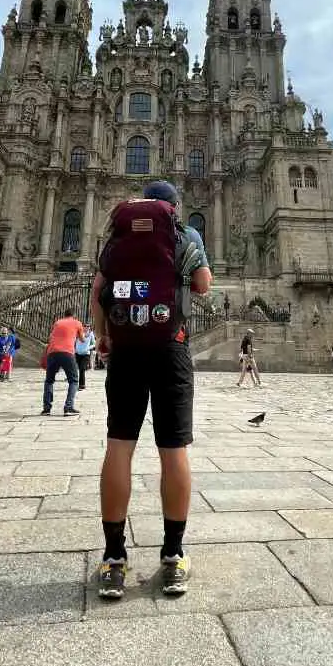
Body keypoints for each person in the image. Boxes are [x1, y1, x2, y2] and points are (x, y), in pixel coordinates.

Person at [90, 179, 211, 601]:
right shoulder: (185, 233)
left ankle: (113, 559)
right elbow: (202, 284)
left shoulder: (119, 234)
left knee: (118, 447)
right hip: (169, 345)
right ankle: (173, 555)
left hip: (125, 347)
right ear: (175, 206)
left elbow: (98, 291)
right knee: (173, 451)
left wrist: (103, 334)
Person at [44, 310, 85, 415]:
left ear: (64, 315)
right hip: (67, 353)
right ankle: (68, 407)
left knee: (49, 381)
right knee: (74, 381)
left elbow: (50, 337)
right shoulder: (77, 323)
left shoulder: (57, 323)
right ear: (74, 315)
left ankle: (46, 409)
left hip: (52, 352)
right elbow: (82, 340)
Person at [75, 324, 96, 390]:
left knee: (82, 368)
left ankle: (82, 385)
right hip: (78, 353)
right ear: (83, 327)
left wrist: (88, 348)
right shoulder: (79, 333)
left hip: (86, 354)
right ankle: (76, 383)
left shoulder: (91, 334)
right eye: (85, 326)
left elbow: (94, 344)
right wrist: (75, 348)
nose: (86, 327)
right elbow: (74, 341)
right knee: (79, 369)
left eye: (88, 326)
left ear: (89, 327)